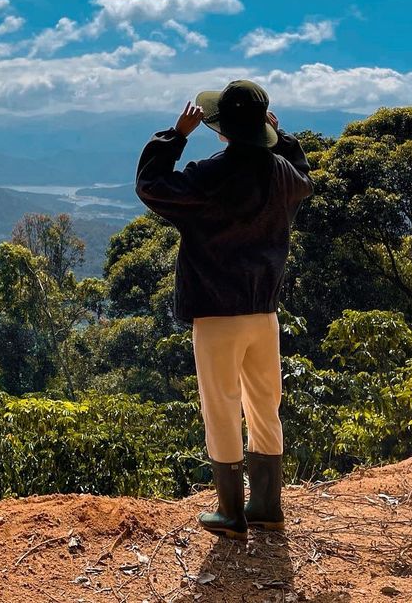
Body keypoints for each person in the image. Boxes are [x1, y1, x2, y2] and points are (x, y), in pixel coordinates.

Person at [134, 80, 313, 541]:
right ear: (262, 126)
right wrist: (285, 137)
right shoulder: (280, 174)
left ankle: (231, 513)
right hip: (263, 312)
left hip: (216, 314)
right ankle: (268, 507)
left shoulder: (210, 174)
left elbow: (151, 186)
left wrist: (175, 135)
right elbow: (304, 179)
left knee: (220, 407)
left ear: (221, 128)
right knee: (264, 406)